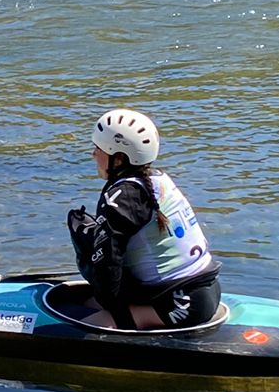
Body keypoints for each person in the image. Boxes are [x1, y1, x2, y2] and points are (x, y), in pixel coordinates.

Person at [66, 109, 222, 330]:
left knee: (86, 325)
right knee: (86, 303)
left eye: (98, 148)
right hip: (205, 289)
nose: (93, 154)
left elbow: (108, 270)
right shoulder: (156, 180)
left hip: (182, 302)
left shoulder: (122, 199)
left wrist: (112, 307)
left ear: (118, 157)